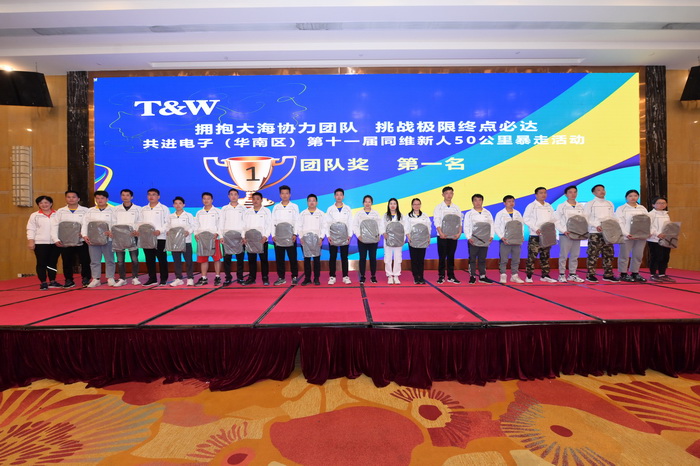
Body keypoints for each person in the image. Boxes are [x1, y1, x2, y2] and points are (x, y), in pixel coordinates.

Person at [51, 190, 91, 288]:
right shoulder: (60, 211)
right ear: (66, 198)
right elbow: (54, 226)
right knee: (67, 261)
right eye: (68, 197)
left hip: (81, 241)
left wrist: (84, 234)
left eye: (73, 197)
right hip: (65, 241)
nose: (71, 199)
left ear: (78, 199)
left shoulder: (86, 210)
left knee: (85, 260)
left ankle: (86, 278)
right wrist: (55, 239)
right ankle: (69, 280)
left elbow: (88, 224)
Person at [582, 184, 619, 282]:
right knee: (593, 254)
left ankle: (608, 274)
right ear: (594, 193)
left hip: (608, 232)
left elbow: (612, 216)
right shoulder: (590, 204)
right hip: (595, 232)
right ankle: (590, 275)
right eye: (598, 190)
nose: (602, 191)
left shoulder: (609, 203)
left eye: (603, 189)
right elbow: (586, 217)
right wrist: (596, 225)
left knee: (609, 254)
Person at [81, 190, 116, 287]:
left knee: (109, 259)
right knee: (94, 260)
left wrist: (112, 232)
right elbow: (85, 224)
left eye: (102, 198)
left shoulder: (113, 211)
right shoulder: (90, 211)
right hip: (93, 239)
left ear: (107, 199)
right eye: (97, 198)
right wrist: (84, 235)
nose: (100, 200)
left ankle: (110, 277)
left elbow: (115, 223)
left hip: (108, 239)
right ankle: (96, 278)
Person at [523, 187, 557, 283]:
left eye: (545, 193)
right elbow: (526, 219)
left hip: (546, 235)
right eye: (541, 193)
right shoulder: (531, 206)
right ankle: (529, 276)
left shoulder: (548, 206)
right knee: (532, 257)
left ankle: (545, 275)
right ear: (536, 195)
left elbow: (553, 219)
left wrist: (552, 229)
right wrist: (535, 228)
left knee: (545, 256)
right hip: (535, 235)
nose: (543, 195)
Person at [27, 195, 61, 290]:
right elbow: (31, 229)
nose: (44, 205)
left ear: (51, 203)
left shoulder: (58, 214)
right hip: (40, 243)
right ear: (38, 205)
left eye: (46, 202)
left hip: (55, 243)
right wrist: (31, 241)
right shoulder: (34, 215)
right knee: (41, 263)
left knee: (53, 262)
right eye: (41, 203)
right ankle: (43, 282)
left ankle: (52, 280)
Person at [615, 189, 649, 282]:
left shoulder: (642, 208)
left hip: (641, 236)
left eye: (635, 196)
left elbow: (647, 221)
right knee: (624, 255)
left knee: (638, 255)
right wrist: (626, 233)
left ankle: (635, 272)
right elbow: (619, 222)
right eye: (630, 196)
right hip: (627, 236)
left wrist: (647, 232)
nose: (633, 198)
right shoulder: (621, 208)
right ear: (626, 198)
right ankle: (623, 273)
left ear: (638, 197)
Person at [139, 188, 171, 286]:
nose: (151, 196)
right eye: (149, 194)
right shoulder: (143, 209)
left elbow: (167, 222)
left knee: (162, 259)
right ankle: (152, 278)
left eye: (154, 194)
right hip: (147, 238)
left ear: (158, 196)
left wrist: (160, 231)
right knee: (149, 259)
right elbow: (140, 222)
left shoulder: (164, 208)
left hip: (160, 237)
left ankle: (163, 279)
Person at [554, 185, 585, 283]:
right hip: (565, 234)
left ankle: (572, 274)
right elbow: (556, 220)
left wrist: (582, 231)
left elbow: (584, 220)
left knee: (575, 255)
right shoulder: (561, 206)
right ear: (565, 194)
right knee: (563, 255)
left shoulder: (580, 206)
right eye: (570, 192)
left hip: (577, 234)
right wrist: (564, 230)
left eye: (575, 192)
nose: (573, 194)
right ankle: (561, 274)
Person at [433, 186, 462, 284]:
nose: (449, 195)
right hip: (442, 235)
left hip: (453, 236)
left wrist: (459, 233)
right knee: (442, 256)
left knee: (451, 256)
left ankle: (451, 276)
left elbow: (459, 221)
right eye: (446, 193)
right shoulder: (438, 207)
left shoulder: (456, 208)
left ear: (453, 194)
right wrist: (440, 233)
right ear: (443, 195)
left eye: (450, 193)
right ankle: (441, 276)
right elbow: (436, 221)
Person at [242, 191, 272, 286]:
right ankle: (252, 278)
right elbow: (244, 225)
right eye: (254, 199)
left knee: (263, 260)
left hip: (262, 239)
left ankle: (265, 277)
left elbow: (269, 225)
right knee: (251, 260)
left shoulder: (266, 211)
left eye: (258, 199)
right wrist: (243, 236)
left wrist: (265, 236)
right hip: (250, 239)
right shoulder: (247, 212)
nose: (255, 201)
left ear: (261, 200)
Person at [271, 185, 300, 285]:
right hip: (278, 236)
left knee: (293, 257)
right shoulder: (276, 207)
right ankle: (281, 277)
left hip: (290, 236)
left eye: (286, 193)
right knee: (279, 258)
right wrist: (273, 235)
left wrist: (295, 234)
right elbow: (272, 221)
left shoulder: (294, 206)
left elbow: (297, 221)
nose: (285, 195)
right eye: (282, 193)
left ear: (290, 194)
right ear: (280, 195)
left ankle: (294, 276)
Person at [112, 189, 141, 286]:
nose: (125, 197)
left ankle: (135, 278)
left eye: (127, 195)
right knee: (120, 260)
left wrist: (137, 231)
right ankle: (122, 278)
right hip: (118, 237)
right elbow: (113, 222)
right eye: (123, 195)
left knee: (134, 259)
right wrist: (113, 232)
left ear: (131, 197)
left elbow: (140, 222)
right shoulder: (116, 209)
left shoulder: (138, 209)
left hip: (132, 236)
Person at [494, 195, 525, 284]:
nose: (511, 203)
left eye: (512, 201)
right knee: (504, 259)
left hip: (516, 240)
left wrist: (521, 235)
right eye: (509, 201)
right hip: (505, 240)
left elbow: (521, 225)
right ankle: (503, 275)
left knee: (516, 259)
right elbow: (496, 226)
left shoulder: (517, 213)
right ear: (504, 203)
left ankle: (514, 275)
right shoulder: (500, 214)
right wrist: (501, 237)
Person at [464, 194, 494, 284]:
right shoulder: (469, 214)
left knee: (482, 259)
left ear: (482, 201)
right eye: (475, 200)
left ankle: (482, 276)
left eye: (479, 200)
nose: (477, 202)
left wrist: (491, 236)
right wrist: (469, 237)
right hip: (473, 239)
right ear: (472, 202)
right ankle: (472, 276)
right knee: (472, 258)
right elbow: (466, 226)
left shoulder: (487, 213)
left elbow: (491, 225)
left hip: (485, 239)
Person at [325, 188, 353, 285]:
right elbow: (327, 223)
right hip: (333, 236)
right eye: (337, 195)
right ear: (334, 196)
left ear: (343, 196)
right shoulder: (330, 209)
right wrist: (328, 235)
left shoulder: (347, 208)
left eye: (341, 195)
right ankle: (332, 276)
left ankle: (345, 276)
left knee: (344, 257)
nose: (339, 197)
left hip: (344, 235)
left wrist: (350, 235)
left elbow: (350, 222)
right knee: (332, 256)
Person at [353, 195, 383, 284]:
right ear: (363, 203)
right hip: (362, 239)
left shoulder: (376, 214)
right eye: (366, 202)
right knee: (362, 258)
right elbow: (355, 225)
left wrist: (379, 235)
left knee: (373, 257)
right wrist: (358, 236)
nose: (367, 203)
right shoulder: (358, 214)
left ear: (372, 203)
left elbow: (380, 226)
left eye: (369, 202)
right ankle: (362, 276)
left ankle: (373, 276)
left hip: (373, 240)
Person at [166, 196, 196, 286]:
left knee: (188, 261)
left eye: (180, 203)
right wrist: (167, 231)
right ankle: (178, 278)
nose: (178, 205)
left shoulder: (188, 215)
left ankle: (190, 278)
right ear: (173, 205)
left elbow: (193, 226)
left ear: (183, 205)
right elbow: (167, 226)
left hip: (186, 242)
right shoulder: (170, 216)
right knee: (177, 261)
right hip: (174, 243)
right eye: (176, 203)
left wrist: (188, 232)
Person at [219, 188, 247, 285]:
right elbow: (221, 223)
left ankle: (240, 277)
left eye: (235, 194)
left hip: (239, 236)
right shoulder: (224, 209)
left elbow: (245, 223)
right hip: (227, 237)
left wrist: (243, 236)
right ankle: (228, 278)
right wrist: (221, 236)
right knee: (227, 259)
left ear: (238, 196)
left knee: (240, 258)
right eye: (231, 194)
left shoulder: (243, 209)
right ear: (228, 196)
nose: (233, 196)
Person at [194, 192, 222, 286]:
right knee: (203, 259)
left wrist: (217, 233)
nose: (206, 200)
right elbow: (196, 225)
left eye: (208, 198)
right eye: (204, 198)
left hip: (214, 238)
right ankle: (204, 278)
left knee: (216, 258)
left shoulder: (217, 211)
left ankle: (217, 277)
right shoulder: (199, 212)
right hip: (202, 238)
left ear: (212, 200)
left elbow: (220, 224)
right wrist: (196, 234)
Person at [297, 194, 325, 286]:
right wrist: (301, 237)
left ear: (316, 202)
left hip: (317, 239)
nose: (311, 202)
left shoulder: (321, 213)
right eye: (310, 200)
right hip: (305, 240)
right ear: (307, 202)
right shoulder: (303, 214)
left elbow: (324, 227)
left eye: (313, 200)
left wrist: (321, 238)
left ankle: (316, 278)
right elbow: (299, 226)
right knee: (307, 259)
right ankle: (307, 278)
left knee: (316, 259)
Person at [647, 196, 675, 282]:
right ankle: (653, 274)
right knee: (656, 256)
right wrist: (657, 234)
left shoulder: (666, 214)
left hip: (665, 239)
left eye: (663, 203)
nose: (661, 205)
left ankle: (662, 274)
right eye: (659, 203)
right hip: (654, 239)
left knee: (665, 256)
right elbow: (649, 226)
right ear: (653, 205)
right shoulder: (650, 214)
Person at [405, 198, 431, 285]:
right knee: (414, 259)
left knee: (421, 259)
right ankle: (416, 277)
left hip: (423, 240)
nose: (416, 206)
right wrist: (409, 237)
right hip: (413, 240)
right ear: (412, 205)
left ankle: (421, 277)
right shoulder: (408, 216)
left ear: (420, 205)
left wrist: (428, 237)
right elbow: (406, 228)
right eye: (415, 204)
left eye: (418, 204)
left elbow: (428, 227)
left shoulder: (425, 216)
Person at [383, 198, 406, 284]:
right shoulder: (385, 216)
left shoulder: (401, 216)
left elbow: (405, 228)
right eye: (391, 203)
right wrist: (384, 233)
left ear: (397, 205)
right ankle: (389, 275)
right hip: (388, 239)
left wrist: (403, 239)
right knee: (388, 257)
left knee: (398, 257)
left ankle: (396, 275)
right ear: (388, 205)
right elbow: (382, 226)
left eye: (394, 204)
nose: (392, 205)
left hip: (398, 240)